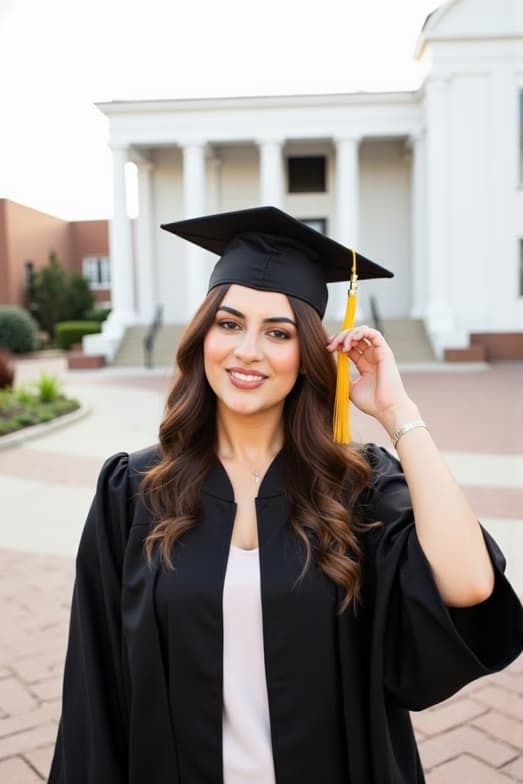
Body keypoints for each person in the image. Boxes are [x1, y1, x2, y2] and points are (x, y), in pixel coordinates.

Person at [49, 207, 523, 784]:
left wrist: (399, 412)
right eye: (229, 324)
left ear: (309, 356)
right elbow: (93, 686)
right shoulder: (135, 490)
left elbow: (470, 585)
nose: (248, 350)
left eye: (278, 332)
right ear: (203, 338)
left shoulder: (357, 488)